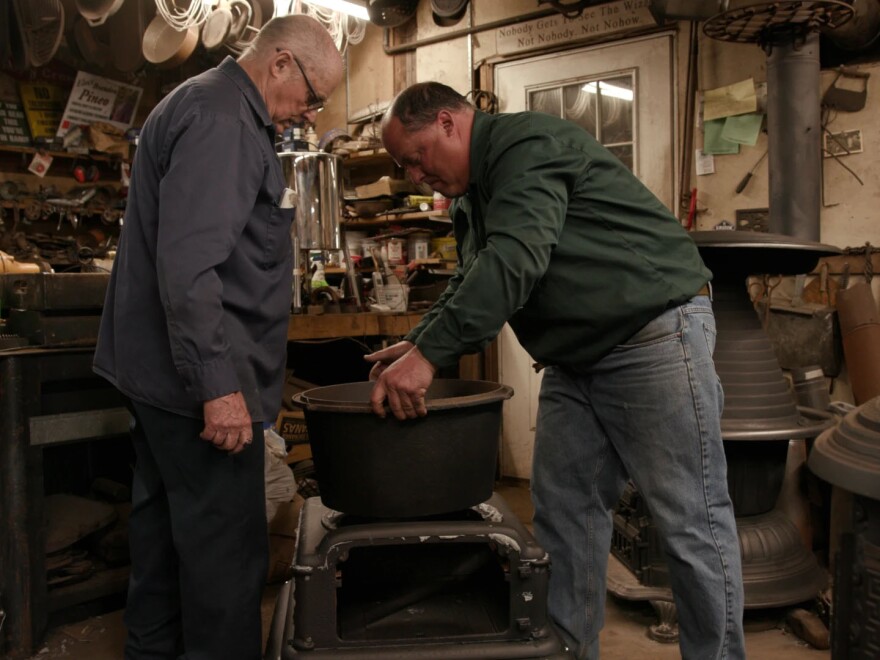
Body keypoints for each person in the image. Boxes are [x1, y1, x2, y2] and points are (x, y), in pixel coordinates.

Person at [365, 82, 745, 660]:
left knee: (690, 521)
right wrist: (416, 343)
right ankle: (569, 651)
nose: (417, 176)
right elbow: (476, 278)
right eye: (404, 168)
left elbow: (517, 258)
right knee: (564, 514)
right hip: (576, 360)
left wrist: (431, 356)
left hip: (651, 337)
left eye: (415, 158)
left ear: (447, 123)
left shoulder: (528, 143)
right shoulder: (473, 197)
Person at [93, 15, 343, 660]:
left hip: (157, 379)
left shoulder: (204, 101)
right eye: (312, 95)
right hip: (193, 388)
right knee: (226, 560)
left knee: (161, 542)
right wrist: (219, 388)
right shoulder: (225, 121)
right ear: (281, 62)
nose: (309, 112)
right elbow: (189, 268)